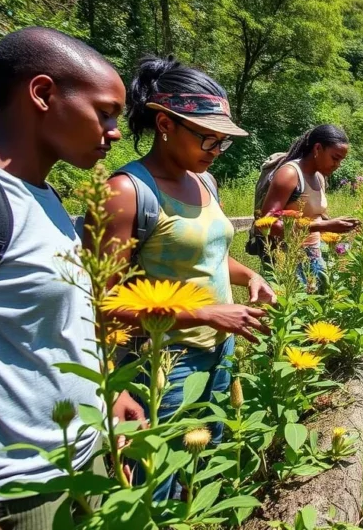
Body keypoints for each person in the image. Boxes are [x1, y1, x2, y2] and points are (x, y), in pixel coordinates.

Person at [0, 27, 145, 529]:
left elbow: (60, 326)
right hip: (17, 489)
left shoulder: (47, 198)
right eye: (104, 112)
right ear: (42, 94)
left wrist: (110, 393)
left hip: (82, 457)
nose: (115, 131)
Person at [103, 56, 276, 502]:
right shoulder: (128, 192)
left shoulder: (207, 182)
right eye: (208, 138)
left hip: (220, 349)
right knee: (154, 484)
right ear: (165, 124)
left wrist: (249, 275)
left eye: (223, 142)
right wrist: (204, 312)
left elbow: (212, 256)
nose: (216, 149)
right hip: (163, 362)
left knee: (203, 468)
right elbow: (100, 305)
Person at [258, 125, 361, 279]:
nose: (338, 165)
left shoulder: (319, 177)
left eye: (341, 160)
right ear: (318, 148)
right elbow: (268, 223)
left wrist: (340, 226)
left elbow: (314, 215)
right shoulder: (290, 174)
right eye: (335, 158)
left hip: (314, 254)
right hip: (288, 260)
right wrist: (323, 226)